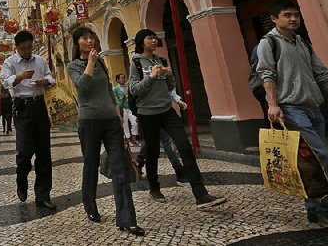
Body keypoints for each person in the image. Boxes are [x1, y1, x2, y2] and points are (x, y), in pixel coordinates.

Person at [256, 0, 328, 236]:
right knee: (320, 157)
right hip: (291, 109)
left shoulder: (303, 43)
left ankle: (314, 207)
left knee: (313, 161)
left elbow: (322, 75)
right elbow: (266, 74)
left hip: (314, 109)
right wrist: (273, 104)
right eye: (287, 15)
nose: (293, 19)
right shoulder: (268, 43)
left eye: (296, 15)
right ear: (274, 18)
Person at [128, 29, 225, 209]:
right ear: (142, 42)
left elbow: (169, 87)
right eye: (150, 38)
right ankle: (154, 187)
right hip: (147, 113)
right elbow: (134, 89)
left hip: (167, 111)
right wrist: (151, 76)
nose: (154, 40)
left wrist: (170, 76)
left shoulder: (161, 60)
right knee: (153, 152)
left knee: (185, 147)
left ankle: (201, 194)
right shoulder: (136, 63)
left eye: (155, 37)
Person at [67, 27, 144, 235]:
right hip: (89, 122)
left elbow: (109, 89)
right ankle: (90, 207)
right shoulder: (73, 65)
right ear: (77, 43)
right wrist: (90, 63)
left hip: (110, 120)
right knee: (90, 165)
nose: (90, 40)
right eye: (84, 38)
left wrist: (117, 112)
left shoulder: (101, 62)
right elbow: (82, 87)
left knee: (119, 167)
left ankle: (127, 218)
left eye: (91, 37)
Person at [0, 30, 56, 210]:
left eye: (29, 47)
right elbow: (5, 82)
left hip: (40, 106)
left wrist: (45, 82)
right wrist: (19, 77)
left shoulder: (39, 60)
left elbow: (50, 76)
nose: (27, 51)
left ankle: (43, 194)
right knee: (24, 152)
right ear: (16, 47)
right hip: (22, 107)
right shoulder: (10, 63)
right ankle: (21, 178)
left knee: (44, 153)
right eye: (23, 48)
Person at [113, 73, 139, 146]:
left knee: (135, 123)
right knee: (125, 125)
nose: (123, 79)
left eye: (124, 78)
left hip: (130, 107)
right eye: (121, 78)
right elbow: (115, 101)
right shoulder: (115, 89)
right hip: (122, 108)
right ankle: (128, 140)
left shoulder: (128, 87)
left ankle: (134, 139)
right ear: (118, 80)